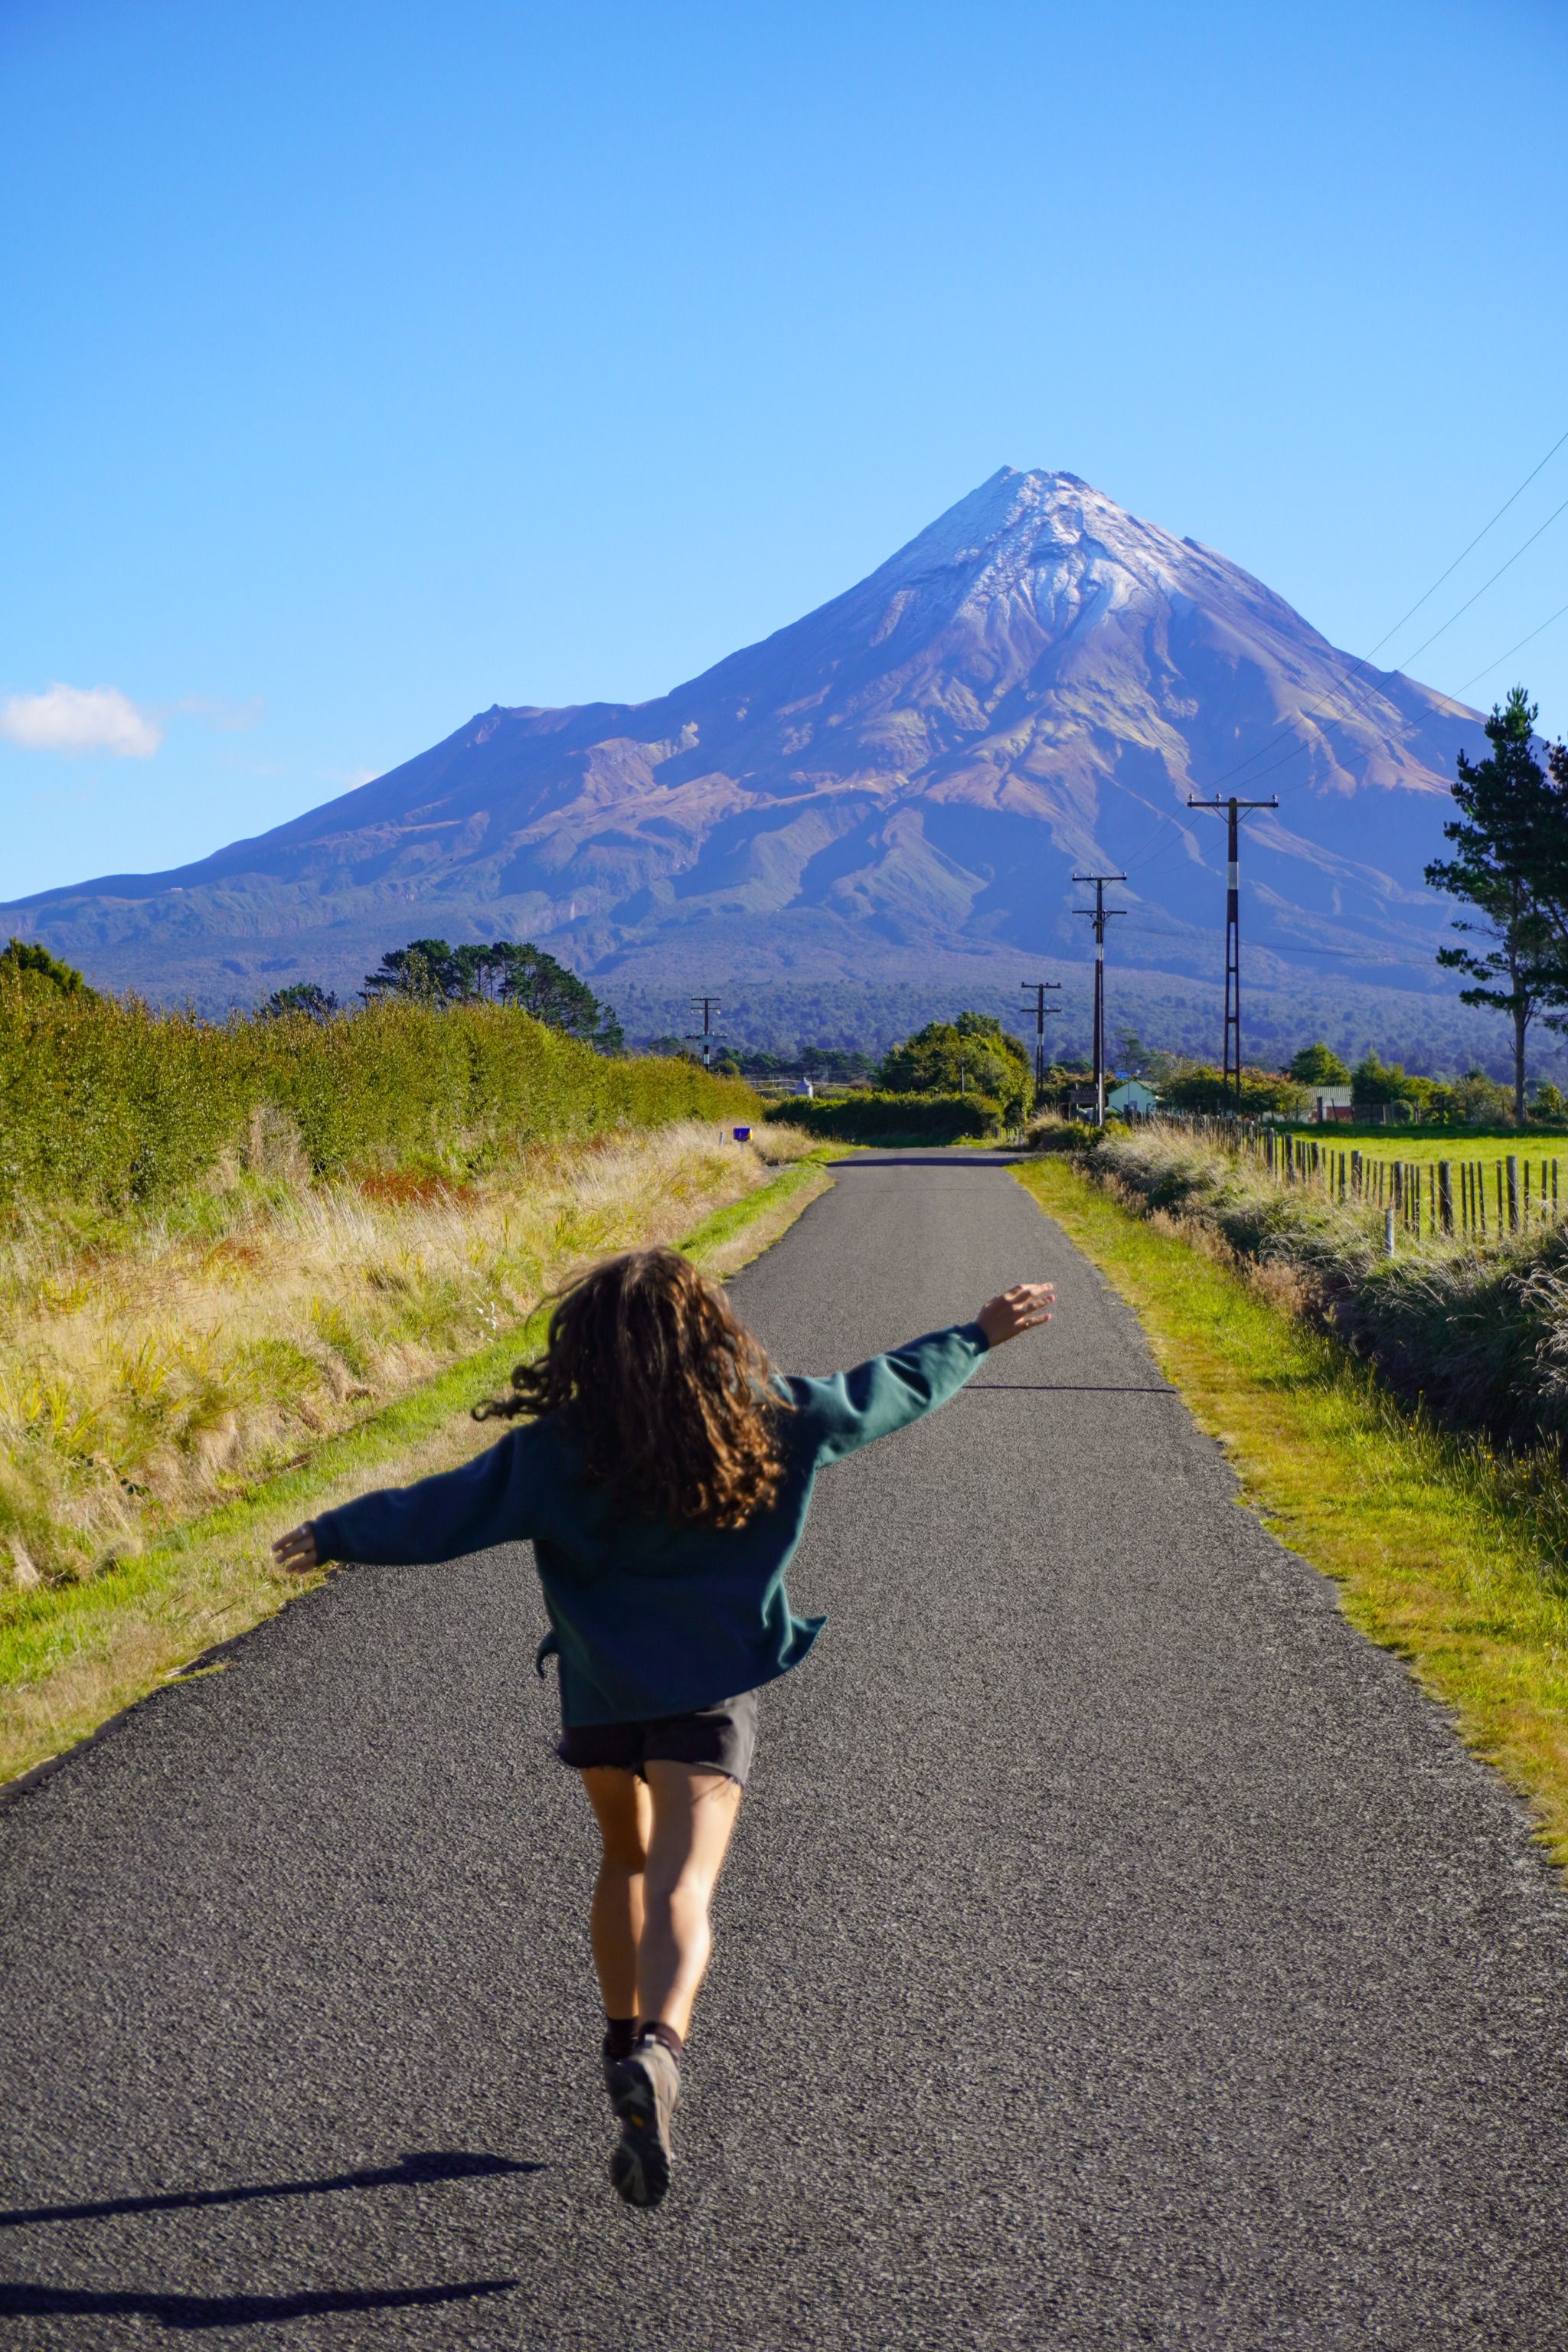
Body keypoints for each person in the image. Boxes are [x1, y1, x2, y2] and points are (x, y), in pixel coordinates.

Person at [273, 1248, 1054, 2207]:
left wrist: (334, 1532)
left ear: (589, 1350)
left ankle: (617, 2043)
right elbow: (884, 1389)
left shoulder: (557, 1450)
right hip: (709, 1699)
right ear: (708, 1333)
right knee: (688, 1878)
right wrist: (975, 1334)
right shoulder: (772, 1418)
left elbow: (445, 1510)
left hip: (604, 1701)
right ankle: (659, 2049)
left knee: (626, 1864)